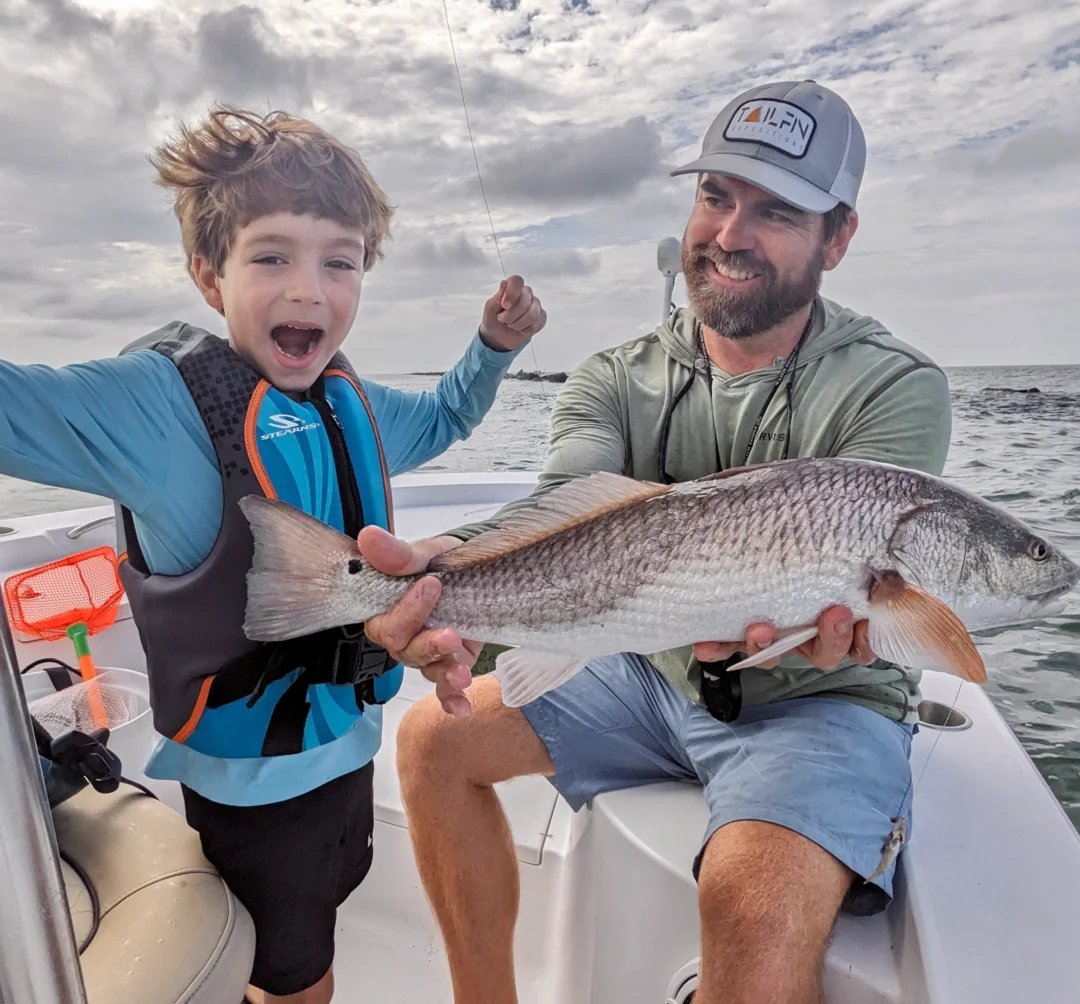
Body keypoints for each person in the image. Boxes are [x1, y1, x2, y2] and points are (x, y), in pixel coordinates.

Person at [360, 80, 952, 1004]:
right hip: (650, 668)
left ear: (838, 238)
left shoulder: (896, 387)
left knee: (748, 904)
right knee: (434, 741)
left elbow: (881, 585)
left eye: (777, 211)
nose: (728, 233)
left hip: (823, 697)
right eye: (715, 196)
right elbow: (560, 508)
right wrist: (442, 574)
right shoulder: (611, 376)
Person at [0, 106, 546, 1004]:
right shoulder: (153, 407)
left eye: (340, 260)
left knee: (326, 923)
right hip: (254, 792)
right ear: (208, 274)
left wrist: (494, 349)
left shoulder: (350, 405)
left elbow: (447, 417)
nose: (310, 291)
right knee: (299, 985)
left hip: (349, 753)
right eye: (271, 256)